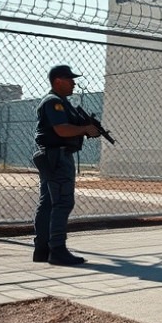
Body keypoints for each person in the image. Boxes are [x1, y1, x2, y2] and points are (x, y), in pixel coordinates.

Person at [32, 64, 100, 265]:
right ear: (58, 81)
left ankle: (42, 250)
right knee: (62, 203)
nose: (74, 83)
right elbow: (61, 130)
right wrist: (85, 129)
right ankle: (58, 251)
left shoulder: (60, 102)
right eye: (70, 79)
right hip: (57, 157)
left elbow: (67, 127)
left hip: (52, 157)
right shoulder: (55, 103)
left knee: (48, 204)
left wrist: (85, 128)